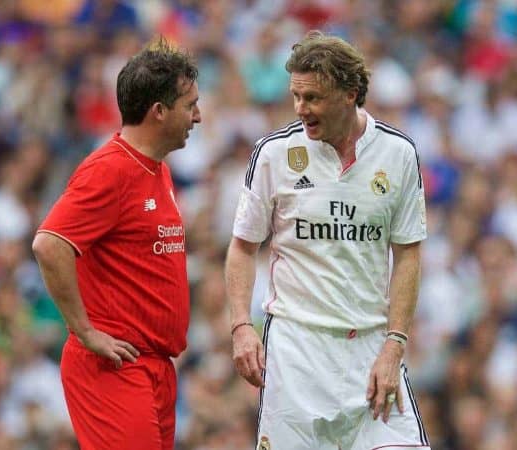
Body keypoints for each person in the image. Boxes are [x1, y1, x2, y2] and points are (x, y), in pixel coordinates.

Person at [225, 31, 430, 450]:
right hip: (297, 350)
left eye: (313, 98)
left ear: (350, 93)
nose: (301, 109)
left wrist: (395, 344)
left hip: (370, 347)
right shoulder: (273, 154)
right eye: (296, 97)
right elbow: (243, 247)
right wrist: (241, 326)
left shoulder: (398, 154)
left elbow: (408, 254)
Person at [32, 38, 200, 450]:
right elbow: (49, 244)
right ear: (158, 111)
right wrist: (85, 331)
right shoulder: (109, 170)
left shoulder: (156, 170)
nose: (199, 115)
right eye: (190, 104)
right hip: (115, 366)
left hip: (154, 367)